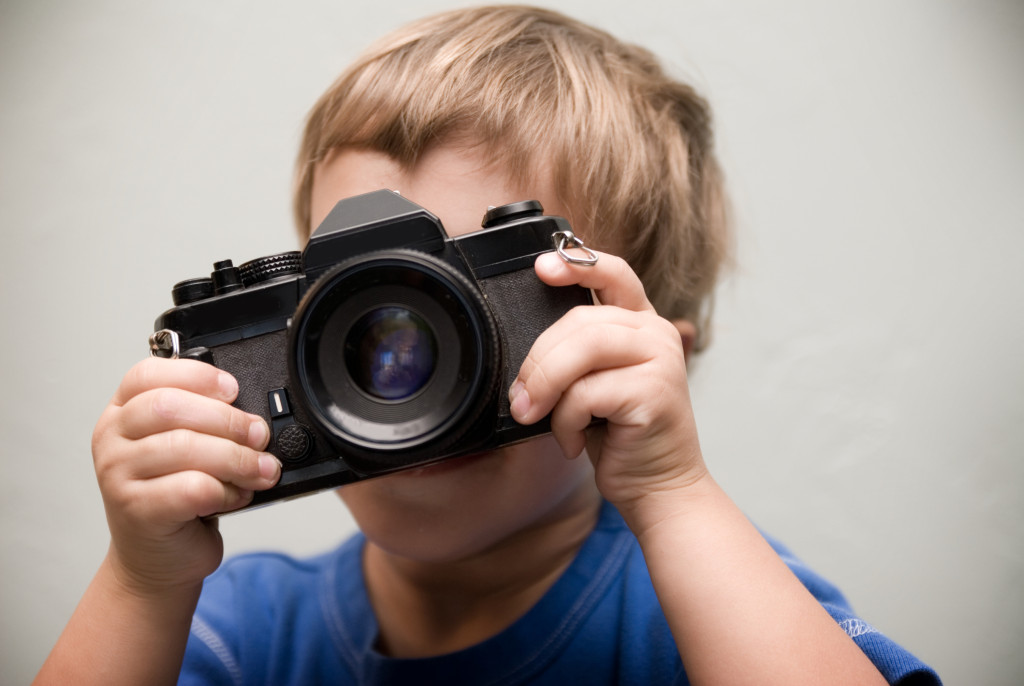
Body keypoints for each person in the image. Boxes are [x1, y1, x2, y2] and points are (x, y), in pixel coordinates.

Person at [34, 6, 940, 685]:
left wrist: (673, 495)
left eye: (468, 301)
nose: (404, 365)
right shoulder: (239, 628)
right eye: (361, 304)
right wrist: (141, 583)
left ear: (645, 367)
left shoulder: (715, 605)